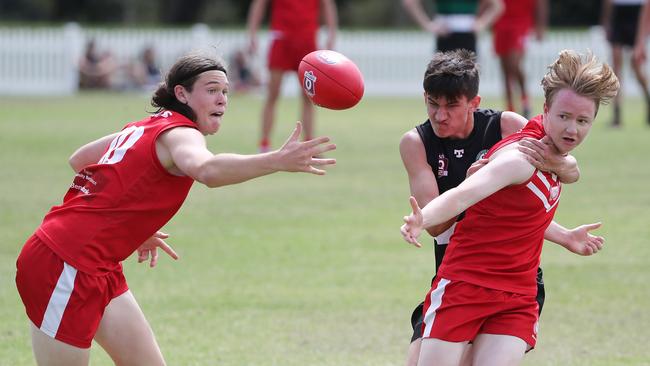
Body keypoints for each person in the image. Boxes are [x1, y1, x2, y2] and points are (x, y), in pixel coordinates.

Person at [15, 50, 336, 366]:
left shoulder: (149, 126)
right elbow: (207, 171)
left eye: (225, 91)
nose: (222, 99)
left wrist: (131, 224)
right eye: (211, 91)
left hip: (97, 264)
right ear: (181, 93)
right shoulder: (182, 134)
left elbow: (81, 159)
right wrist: (275, 160)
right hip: (64, 262)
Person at [401, 49, 619, 366]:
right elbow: (464, 194)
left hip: (518, 291)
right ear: (545, 111)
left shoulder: (532, 141)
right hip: (467, 283)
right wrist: (423, 218)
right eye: (564, 117)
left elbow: (513, 212)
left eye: (582, 121)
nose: (572, 129)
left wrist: (565, 170)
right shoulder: (519, 155)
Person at [247, 0, 338, 152]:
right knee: (272, 94)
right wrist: (252, 32)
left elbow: (327, 5)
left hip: (307, 38)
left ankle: (309, 144)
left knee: (309, 96)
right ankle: (264, 144)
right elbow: (260, 4)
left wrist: (332, 33)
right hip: (282, 37)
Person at [492, 0, 548, 118]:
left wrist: (540, 26)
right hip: (501, 24)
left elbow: (541, 4)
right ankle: (510, 107)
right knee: (505, 69)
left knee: (514, 64)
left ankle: (525, 99)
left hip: (521, 23)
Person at [601, 0, 650, 126]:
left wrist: (641, 40)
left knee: (636, 65)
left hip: (638, 14)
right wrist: (606, 22)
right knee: (616, 67)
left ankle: (648, 99)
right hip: (618, 13)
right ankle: (617, 114)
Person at [401, 0, 504, 54]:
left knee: (464, 81)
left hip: (466, 34)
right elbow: (410, 2)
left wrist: (481, 23)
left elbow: (497, 6)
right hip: (447, 33)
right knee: (450, 82)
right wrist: (428, 25)